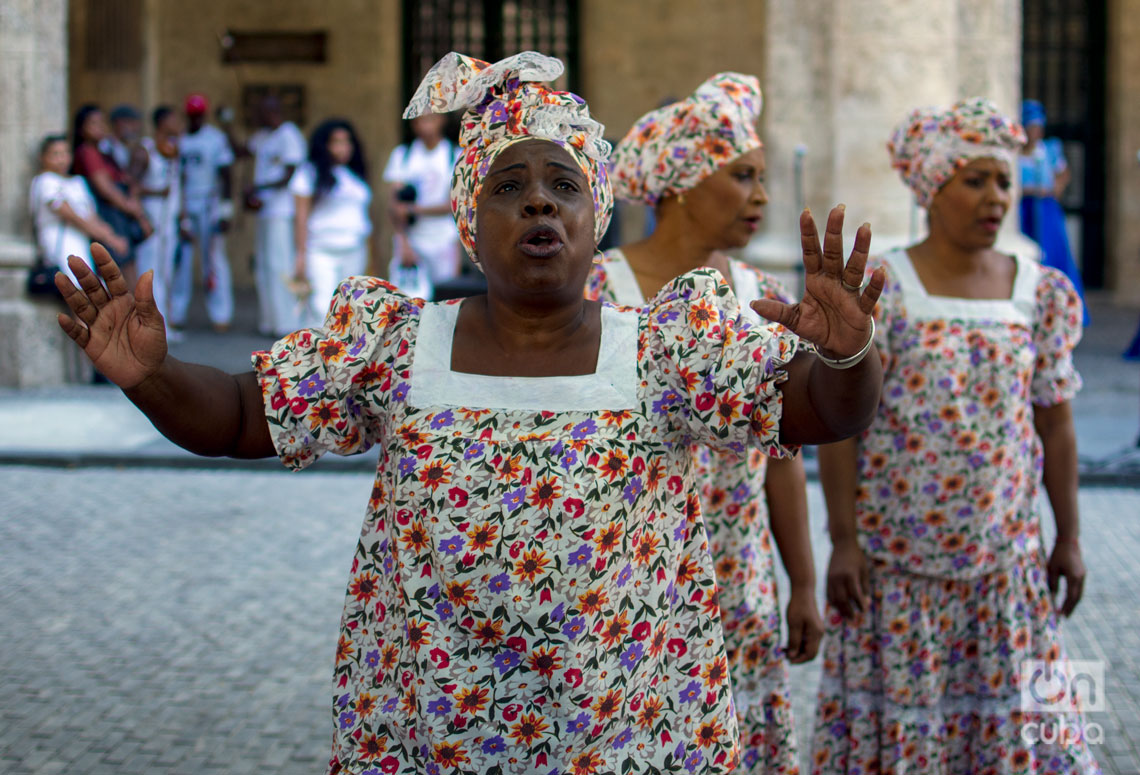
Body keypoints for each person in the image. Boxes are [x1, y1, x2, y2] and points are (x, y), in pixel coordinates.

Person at [55, 51, 885, 774]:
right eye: (508, 186)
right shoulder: (397, 347)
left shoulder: (665, 350)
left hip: (625, 734)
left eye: (564, 185)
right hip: (434, 734)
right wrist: (151, 378)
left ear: (595, 217)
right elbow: (242, 414)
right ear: (467, 220)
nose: (538, 204)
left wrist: (848, 354)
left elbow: (812, 409)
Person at [810, 99, 1100, 775]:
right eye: (975, 180)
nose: (996, 197)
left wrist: (1070, 535)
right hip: (896, 574)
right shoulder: (886, 287)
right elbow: (841, 425)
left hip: (1006, 573)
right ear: (930, 188)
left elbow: (1055, 422)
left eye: (1003, 180)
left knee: (1024, 735)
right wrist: (845, 539)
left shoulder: (1041, 291)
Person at [589, 73, 821, 775]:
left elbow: (782, 457)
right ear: (683, 181)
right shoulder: (597, 293)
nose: (763, 195)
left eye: (762, 176)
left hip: (737, 594)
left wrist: (801, 583)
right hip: (621, 595)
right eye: (743, 175)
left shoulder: (765, 301)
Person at [290, 118, 373, 328]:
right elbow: (301, 217)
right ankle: (320, 357)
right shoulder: (309, 173)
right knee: (322, 307)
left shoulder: (355, 175)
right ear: (324, 145)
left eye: (347, 142)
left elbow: (366, 219)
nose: (342, 148)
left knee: (350, 308)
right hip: (320, 250)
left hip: (354, 248)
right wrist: (300, 255)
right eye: (336, 142)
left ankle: (344, 358)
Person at [1019, 99, 1088, 325]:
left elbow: (1063, 172)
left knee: (1054, 256)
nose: (1035, 132)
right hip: (1024, 210)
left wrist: (1055, 189)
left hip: (1046, 210)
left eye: (1038, 128)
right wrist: (1032, 190)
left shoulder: (1048, 150)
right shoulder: (1017, 154)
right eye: (1031, 128)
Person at [175, 92, 236, 333]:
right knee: (183, 261)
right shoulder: (179, 139)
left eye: (199, 115)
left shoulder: (215, 138)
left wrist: (226, 210)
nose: (196, 119)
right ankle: (177, 312)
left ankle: (221, 314)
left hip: (210, 202)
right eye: (192, 115)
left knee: (214, 260)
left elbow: (227, 174)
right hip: (186, 204)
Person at [246, 96, 307, 337]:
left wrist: (259, 188)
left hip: (282, 211)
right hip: (265, 211)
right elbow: (242, 150)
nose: (257, 117)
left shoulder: (288, 134)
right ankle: (269, 321)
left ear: (273, 111)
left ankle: (287, 323)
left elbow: (290, 174)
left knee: (280, 264)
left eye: (261, 112)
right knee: (264, 266)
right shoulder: (262, 136)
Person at [383, 111, 462, 296]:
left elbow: (455, 203)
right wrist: (403, 241)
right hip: (412, 239)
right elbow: (394, 204)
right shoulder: (403, 155)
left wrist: (414, 209)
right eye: (421, 121)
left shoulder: (455, 155)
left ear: (442, 120)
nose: (426, 126)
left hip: (444, 239)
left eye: (431, 120)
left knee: (446, 298)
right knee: (409, 300)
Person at [29, 134, 128, 282]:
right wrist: (107, 238)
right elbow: (70, 215)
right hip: (58, 240)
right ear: (43, 157)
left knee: (86, 284)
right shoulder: (45, 181)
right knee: (75, 285)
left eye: (65, 153)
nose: (61, 159)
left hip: (80, 240)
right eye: (55, 154)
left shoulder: (77, 182)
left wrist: (109, 235)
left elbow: (91, 214)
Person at [70, 103, 152, 279]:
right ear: (82, 128)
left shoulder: (104, 151)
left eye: (101, 122)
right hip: (109, 217)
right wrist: (136, 213)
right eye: (93, 123)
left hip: (117, 216)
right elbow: (106, 189)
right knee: (122, 277)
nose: (100, 127)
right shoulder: (87, 152)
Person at [136, 105, 183, 330]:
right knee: (150, 271)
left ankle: (165, 322)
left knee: (166, 272)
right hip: (151, 220)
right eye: (174, 119)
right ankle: (149, 325)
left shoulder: (174, 149)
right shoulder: (145, 150)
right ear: (163, 122)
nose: (179, 124)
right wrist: (155, 193)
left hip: (168, 221)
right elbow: (132, 186)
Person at [101, 103, 145, 177]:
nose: (135, 127)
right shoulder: (106, 146)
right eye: (131, 122)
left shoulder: (140, 144)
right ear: (118, 123)